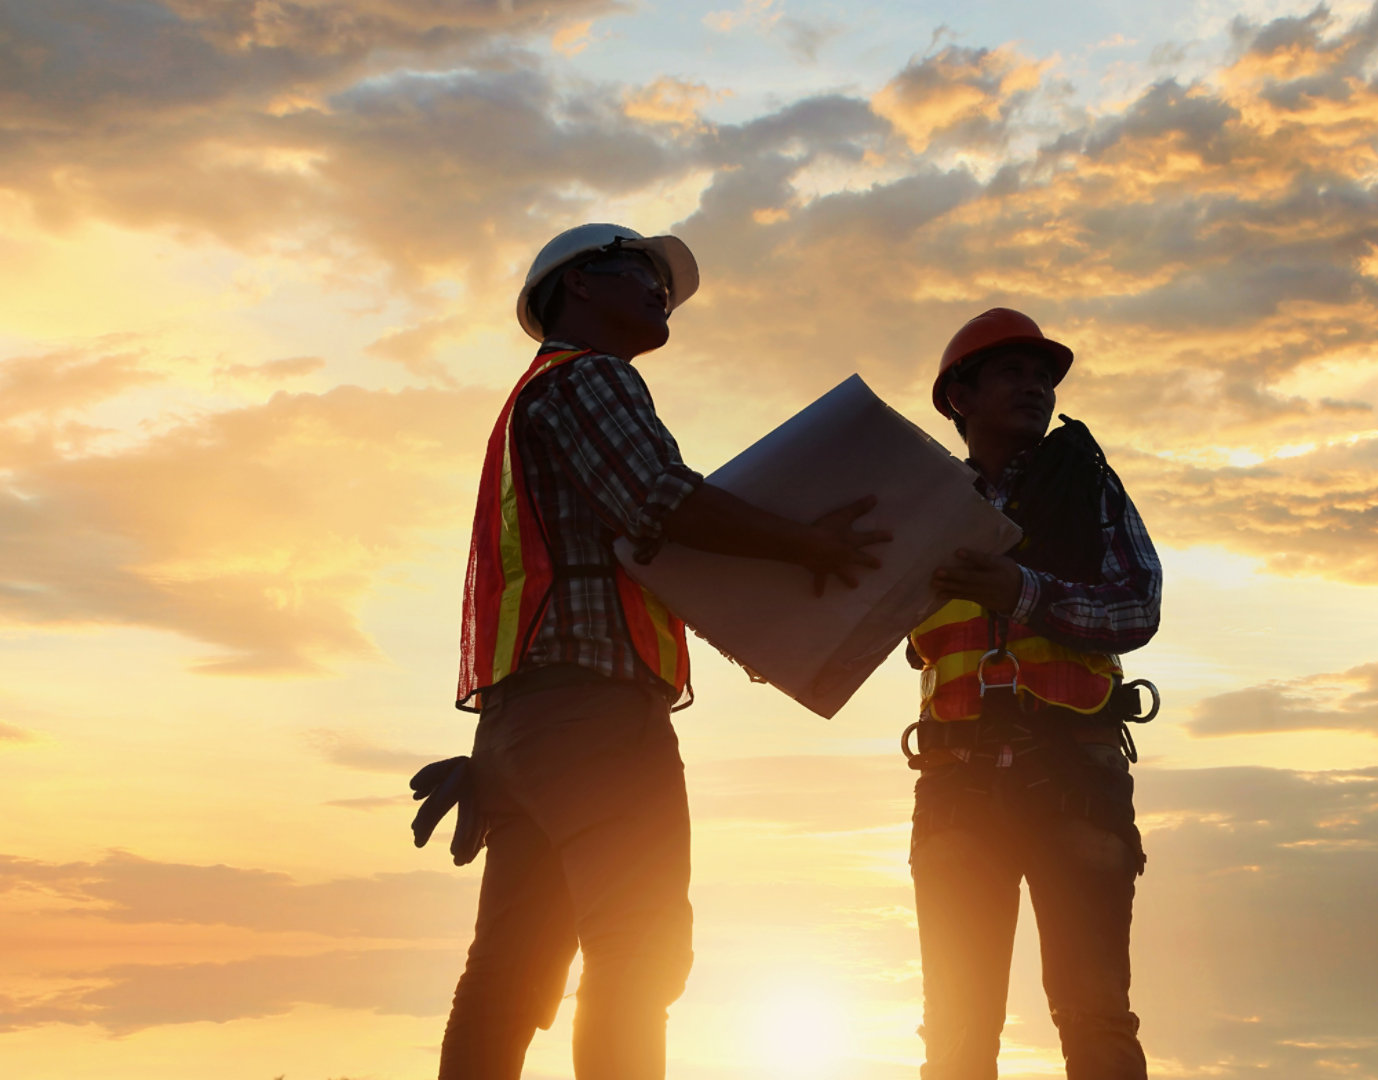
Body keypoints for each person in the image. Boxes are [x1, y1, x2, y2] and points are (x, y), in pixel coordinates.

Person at [434, 223, 887, 1080]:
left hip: (525, 725)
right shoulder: (593, 378)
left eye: (662, 282)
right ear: (577, 287)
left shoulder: (535, 398)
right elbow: (662, 504)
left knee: (510, 970)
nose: (659, 290)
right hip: (596, 721)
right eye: (637, 271)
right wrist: (808, 546)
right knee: (637, 951)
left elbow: (621, 556)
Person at [902, 308, 1163, 1080]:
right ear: (959, 397)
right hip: (957, 783)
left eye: (1043, 376)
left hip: (1074, 776)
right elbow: (854, 616)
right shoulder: (917, 506)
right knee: (956, 1034)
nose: (1037, 387)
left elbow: (1137, 606)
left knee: (1096, 1022)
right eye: (1013, 371)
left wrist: (1022, 590)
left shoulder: (1086, 484)